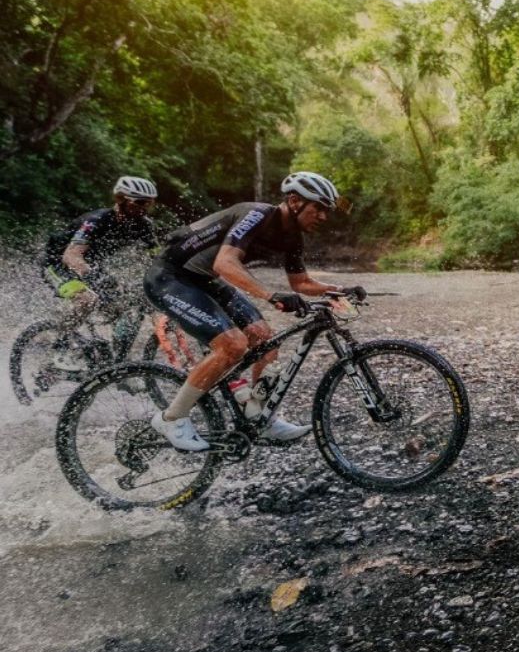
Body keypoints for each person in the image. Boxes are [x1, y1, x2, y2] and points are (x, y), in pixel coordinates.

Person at [144, 172, 366, 451]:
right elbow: (225, 263)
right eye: (319, 208)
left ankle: (259, 416)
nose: (323, 217)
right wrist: (271, 296)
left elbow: (301, 283)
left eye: (327, 211)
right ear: (294, 201)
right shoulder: (257, 214)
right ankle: (172, 417)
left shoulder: (293, 236)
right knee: (233, 345)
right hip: (169, 277)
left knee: (265, 339)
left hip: (204, 280)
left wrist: (339, 289)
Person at [43, 176, 160, 371]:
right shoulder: (96, 220)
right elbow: (71, 256)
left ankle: (114, 365)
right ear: (121, 199)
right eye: (139, 203)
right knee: (86, 300)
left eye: (149, 203)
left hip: (90, 267)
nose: (144, 208)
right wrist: (95, 277)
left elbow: (158, 258)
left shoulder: (144, 225)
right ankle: (59, 347)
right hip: (58, 264)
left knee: (125, 305)